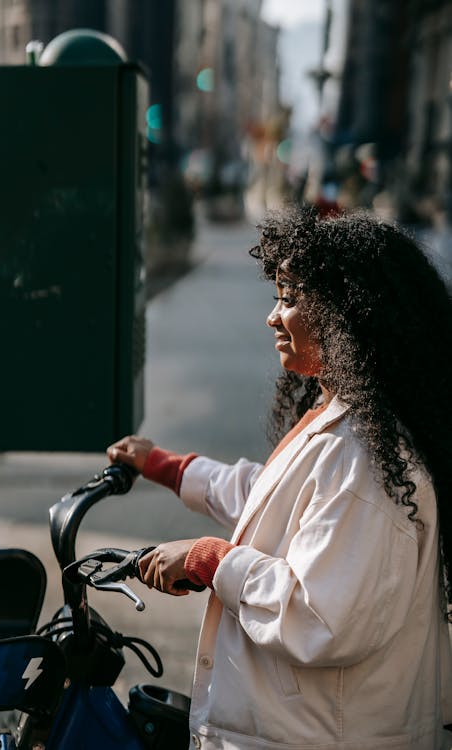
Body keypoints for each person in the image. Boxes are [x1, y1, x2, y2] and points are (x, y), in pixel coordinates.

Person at [107, 207, 452, 749]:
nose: (273, 316)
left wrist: (211, 559)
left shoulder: (366, 463)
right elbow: (269, 501)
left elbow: (320, 617)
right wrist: (165, 467)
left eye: (290, 298)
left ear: (346, 314)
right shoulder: (345, 421)